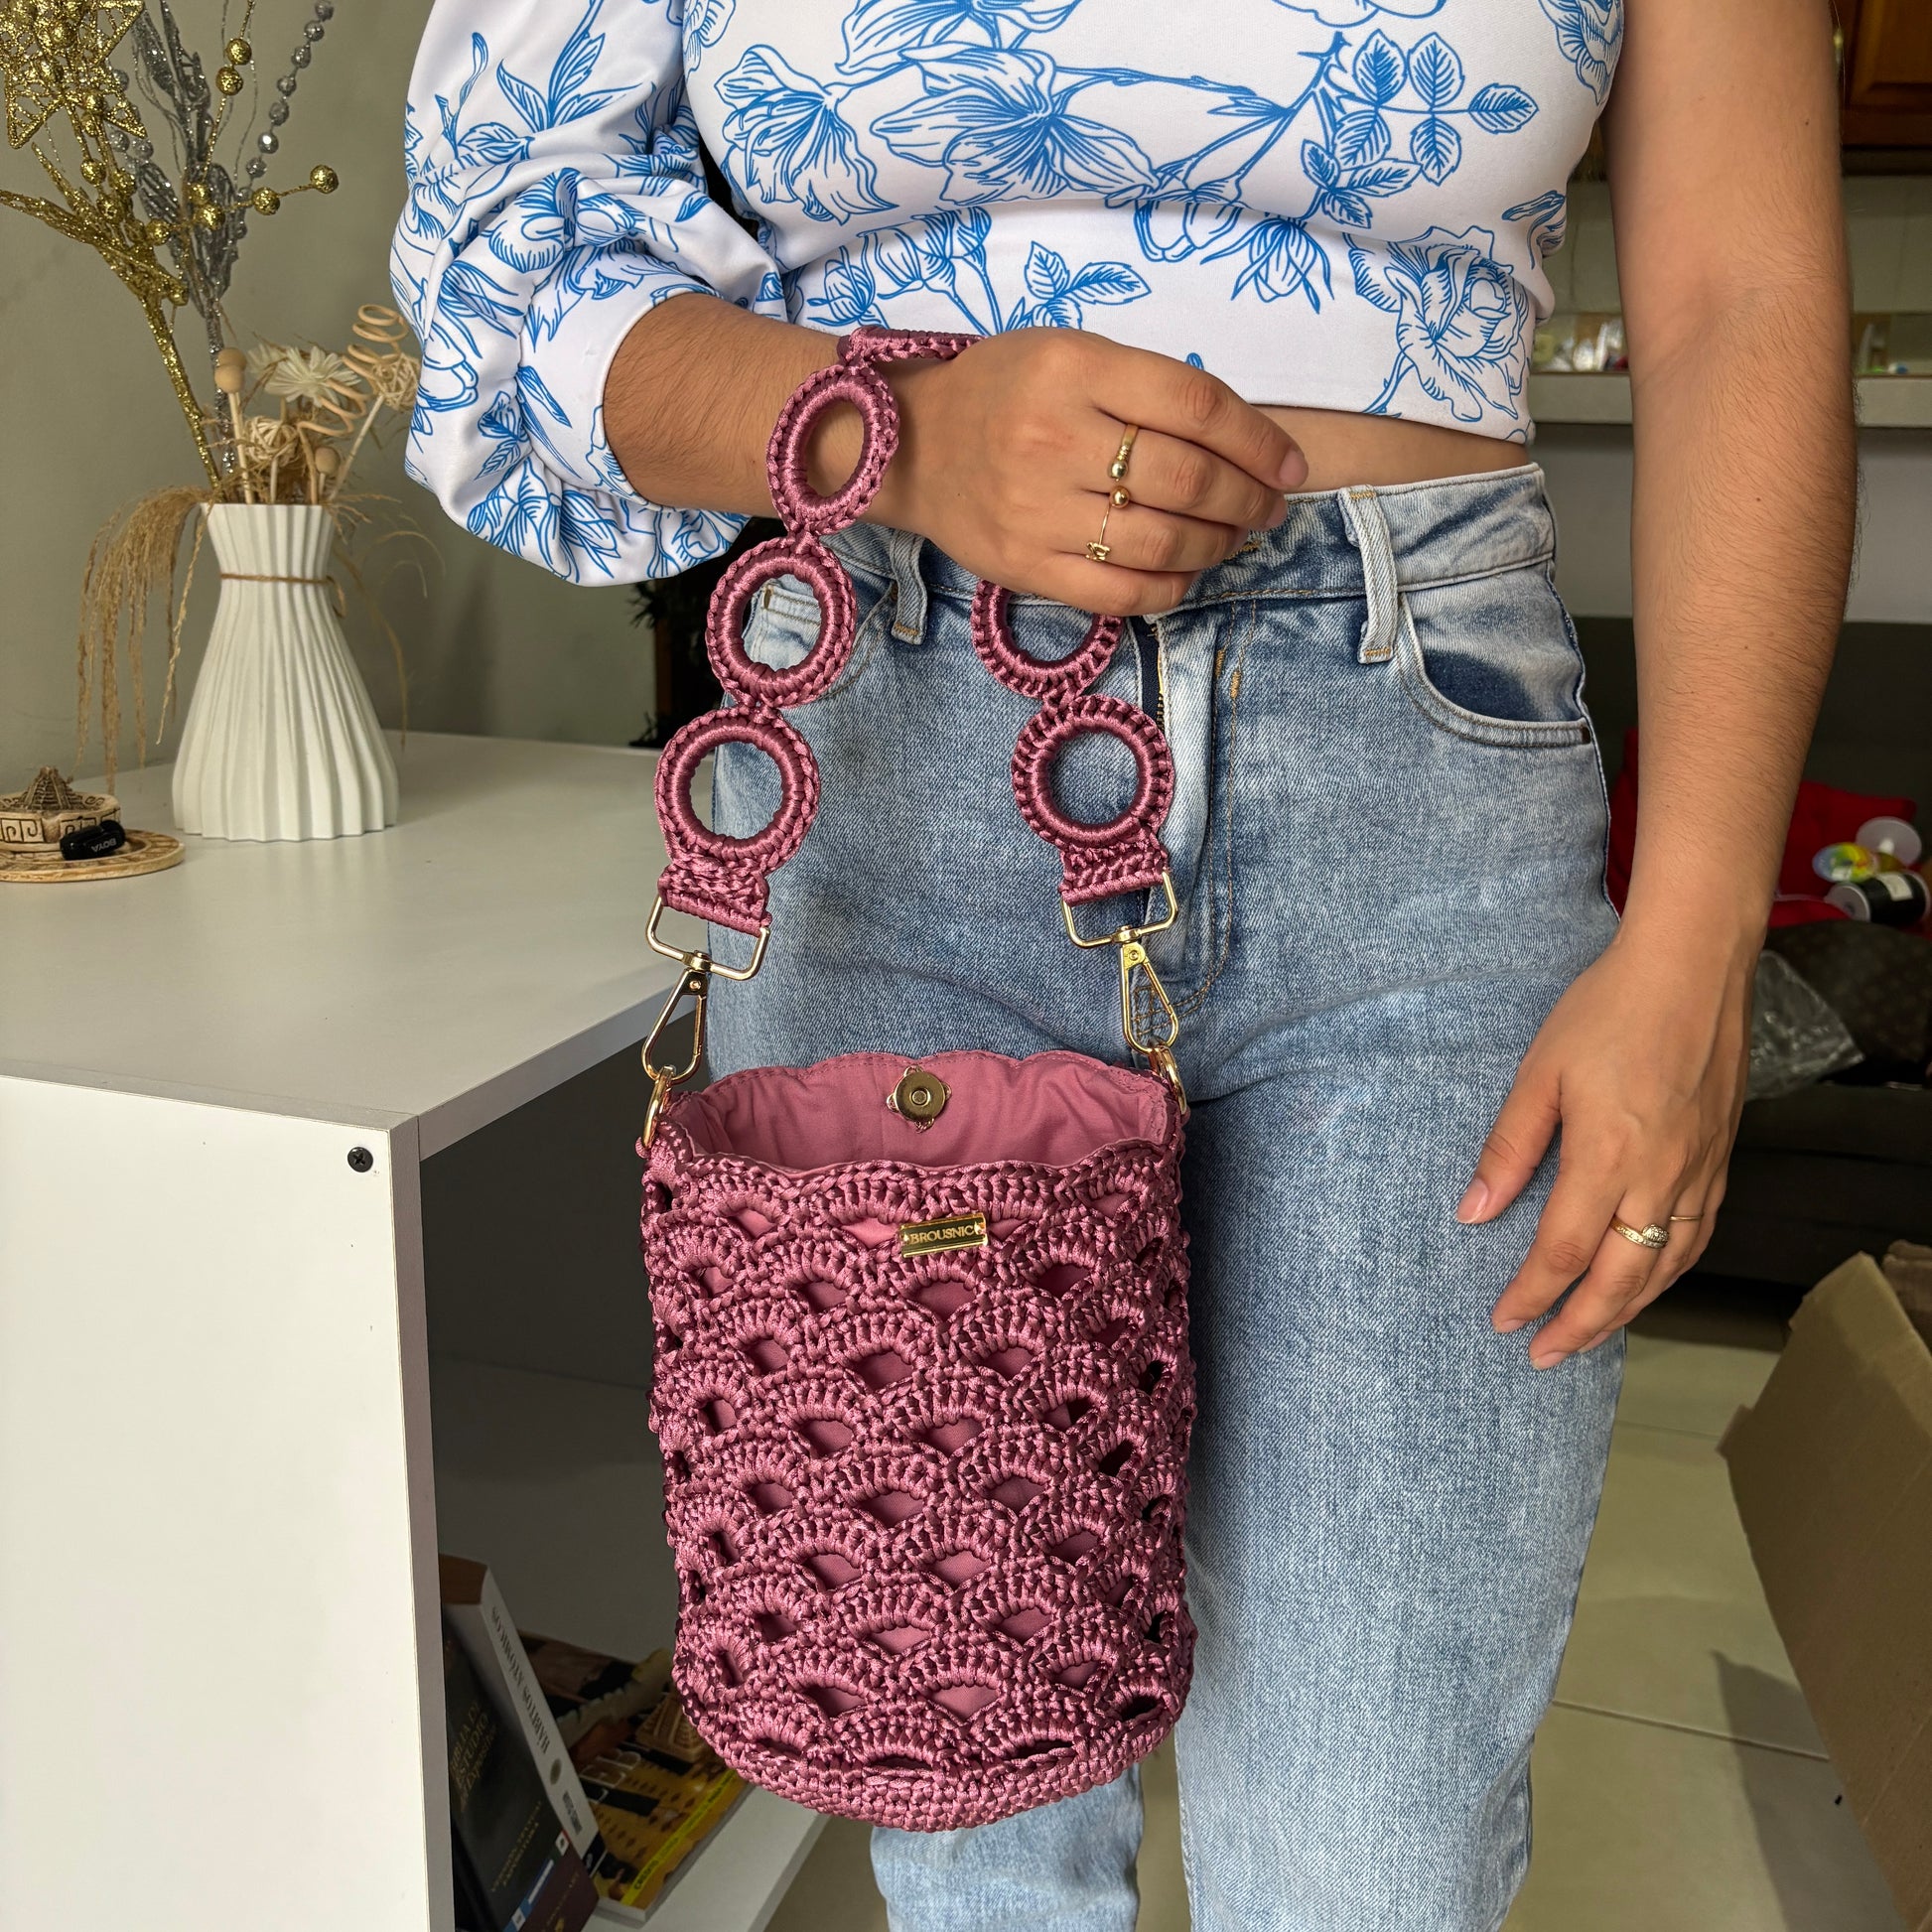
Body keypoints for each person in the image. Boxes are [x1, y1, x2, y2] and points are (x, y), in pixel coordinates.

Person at [393, 0, 1853, 1924]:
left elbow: (1744, 295)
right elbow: (505, 275)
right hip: (896, 752)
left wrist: (1697, 934)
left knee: (1374, 1849)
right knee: (971, 1808)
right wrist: (890, 424)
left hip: (1421, 777)